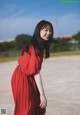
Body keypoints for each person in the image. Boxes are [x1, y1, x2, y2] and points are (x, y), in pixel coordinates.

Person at [11, 20, 54, 115]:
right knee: (27, 108)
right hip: (22, 78)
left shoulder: (38, 45)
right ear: (38, 30)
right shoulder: (35, 47)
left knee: (33, 106)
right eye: (45, 30)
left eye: (50, 31)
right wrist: (43, 94)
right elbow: (36, 72)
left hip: (25, 76)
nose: (48, 33)